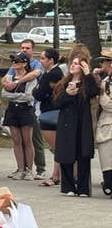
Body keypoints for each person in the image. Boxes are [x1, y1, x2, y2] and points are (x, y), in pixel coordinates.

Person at [53, 56, 98, 197]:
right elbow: (56, 103)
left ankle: (84, 188)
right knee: (66, 154)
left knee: (83, 154)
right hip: (66, 123)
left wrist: (88, 73)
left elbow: (93, 92)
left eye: (77, 64)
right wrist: (67, 94)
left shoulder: (86, 83)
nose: (73, 66)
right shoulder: (63, 83)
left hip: (82, 122)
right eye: (72, 63)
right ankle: (68, 187)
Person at [9, 39, 47, 179]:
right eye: (22, 47)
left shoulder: (36, 64)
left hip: (33, 107)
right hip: (15, 108)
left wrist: (17, 82)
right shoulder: (15, 63)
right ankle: (22, 168)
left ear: (33, 49)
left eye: (27, 48)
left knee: (33, 139)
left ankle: (40, 168)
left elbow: (35, 74)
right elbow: (5, 83)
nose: (24, 49)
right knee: (18, 140)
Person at [1, 52, 38, 180]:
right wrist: (14, 96)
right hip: (12, 109)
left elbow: (29, 96)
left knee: (27, 140)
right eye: (14, 62)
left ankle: (29, 169)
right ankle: (20, 168)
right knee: (16, 140)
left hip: (25, 110)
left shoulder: (30, 78)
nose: (15, 64)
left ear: (24, 63)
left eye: (18, 62)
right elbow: (4, 93)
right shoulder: (10, 77)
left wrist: (13, 95)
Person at [33, 48, 64, 187]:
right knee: (57, 147)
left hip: (51, 112)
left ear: (51, 60)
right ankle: (58, 174)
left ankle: (56, 175)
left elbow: (39, 93)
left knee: (57, 147)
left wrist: (38, 89)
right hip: (49, 110)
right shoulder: (49, 73)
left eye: (43, 58)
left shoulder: (52, 74)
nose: (41, 61)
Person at [96, 51, 112, 198]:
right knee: (107, 162)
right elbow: (105, 103)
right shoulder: (105, 81)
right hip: (107, 126)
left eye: (105, 61)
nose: (102, 65)